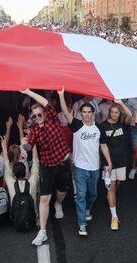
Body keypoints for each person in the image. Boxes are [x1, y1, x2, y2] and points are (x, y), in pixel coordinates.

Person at [58, 87, 113, 236]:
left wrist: (109, 162)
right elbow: (65, 111)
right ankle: (82, 224)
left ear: (93, 113)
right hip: (80, 168)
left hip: (94, 168)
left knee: (93, 194)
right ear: (81, 113)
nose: (87, 114)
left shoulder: (98, 129)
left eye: (89, 112)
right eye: (84, 112)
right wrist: (61, 95)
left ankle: (88, 209)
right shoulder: (76, 125)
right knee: (81, 195)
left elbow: (103, 145)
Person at [24, 88, 71, 246]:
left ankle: (58, 204)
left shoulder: (53, 119)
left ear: (45, 113)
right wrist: (24, 145)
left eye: (39, 114)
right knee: (44, 198)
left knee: (61, 192)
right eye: (34, 115)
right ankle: (42, 232)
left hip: (62, 162)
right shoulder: (34, 130)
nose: (37, 117)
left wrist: (28, 92)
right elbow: (29, 147)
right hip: (47, 166)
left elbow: (46, 102)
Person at [97, 99, 132, 230]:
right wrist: (107, 162)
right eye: (112, 112)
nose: (114, 114)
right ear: (109, 112)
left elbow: (130, 115)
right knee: (111, 187)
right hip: (109, 162)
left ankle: (110, 197)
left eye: (117, 112)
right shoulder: (103, 126)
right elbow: (103, 145)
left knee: (117, 184)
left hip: (122, 160)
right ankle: (114, 217)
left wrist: (121, 103)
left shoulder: (123, 124)